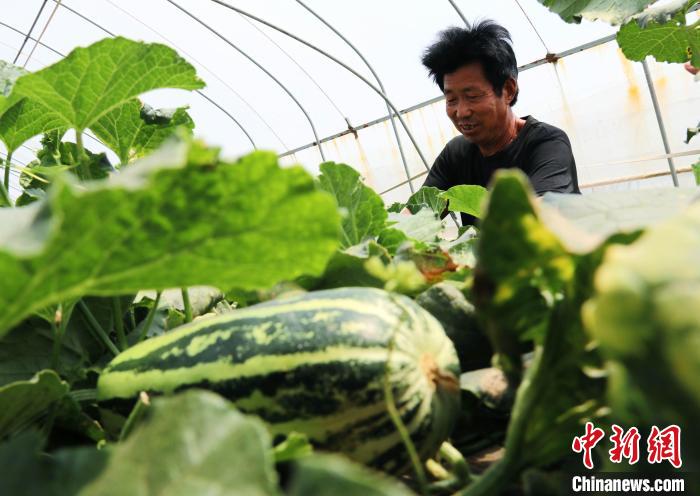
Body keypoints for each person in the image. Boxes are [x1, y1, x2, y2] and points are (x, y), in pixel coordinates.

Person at [420, 20, 580, 225]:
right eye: (451, 100)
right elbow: (417, 216)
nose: (461, 112)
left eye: (472, 96)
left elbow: (539, 218)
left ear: (508, 90)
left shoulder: (547, 143)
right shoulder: (456, 154)